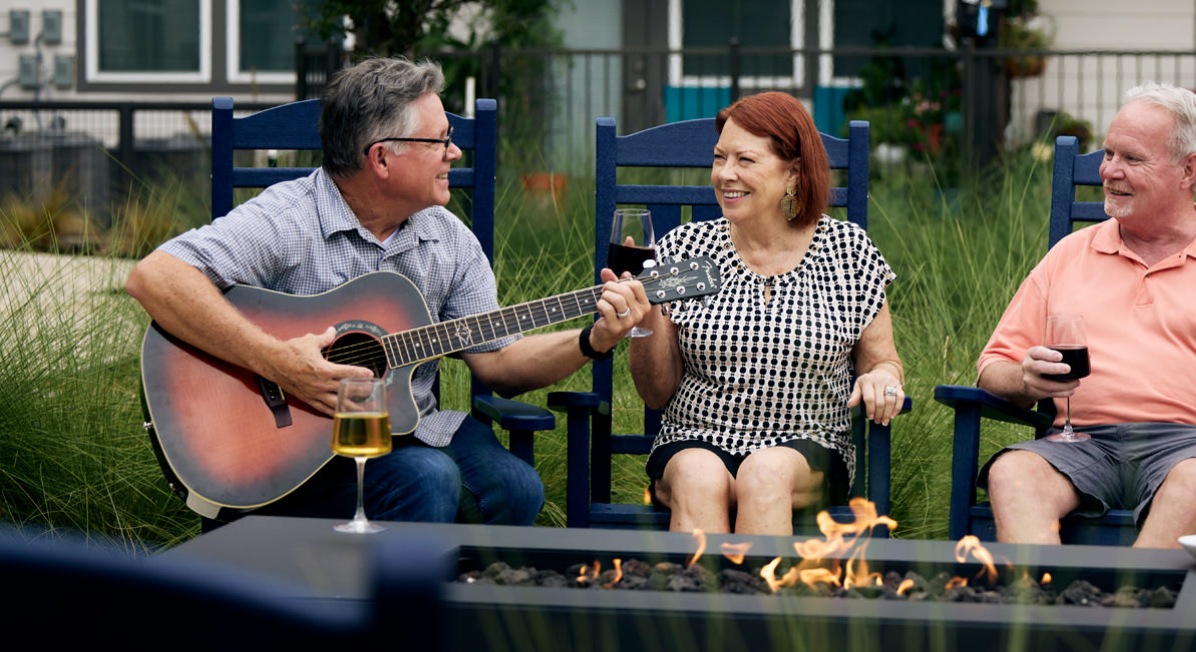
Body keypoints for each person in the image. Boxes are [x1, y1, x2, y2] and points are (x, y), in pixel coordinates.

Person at [126, 57, 652, 527]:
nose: (455, 151)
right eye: (441, 140)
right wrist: (278, 362)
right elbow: (155, 276)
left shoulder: (448, 238)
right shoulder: (288, 217)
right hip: (289, 450)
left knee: (516, 488)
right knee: (427, 479)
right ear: (381, 159)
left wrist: (593, 339)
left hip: (408, 428)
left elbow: (501, 363)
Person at [976, 82, 1196, 549]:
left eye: (1132, 159)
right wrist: (1025, 379)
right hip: (1079, 446)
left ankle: (1129, 614)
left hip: (1194, 447)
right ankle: (1040, 612)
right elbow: (993, 366)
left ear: (1187, 171)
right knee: (1012, 471)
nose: (1109, 171)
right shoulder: (1070, 255)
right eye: (1108, 153)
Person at [628, 91, 906, 535]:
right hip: (694, 438)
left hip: (808, 446)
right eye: (719, 158)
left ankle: (753, 603)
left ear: (793, 172)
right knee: (700, 478)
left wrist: (883, 380)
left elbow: (884, 361)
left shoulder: (849, 252)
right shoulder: (684, 249)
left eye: (745, 160)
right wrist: (644, 320)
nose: (725, 174)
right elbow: (656, 392)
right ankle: (694, 602)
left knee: (764, 473)